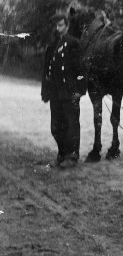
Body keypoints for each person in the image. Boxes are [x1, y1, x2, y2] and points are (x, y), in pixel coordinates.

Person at [41, 12, 85, 168]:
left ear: (67, 26)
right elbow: (47, 71)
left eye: (60, 25)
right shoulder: (53, 46)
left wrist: (80, 89)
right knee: (55, 127)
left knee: (71, 125)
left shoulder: (74, 44)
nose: (58, 29)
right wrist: (45, 91)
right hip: (55, 93)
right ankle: (62, 153)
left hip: (70, 92)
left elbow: (81, 70)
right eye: (56, 26)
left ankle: (72, 156)